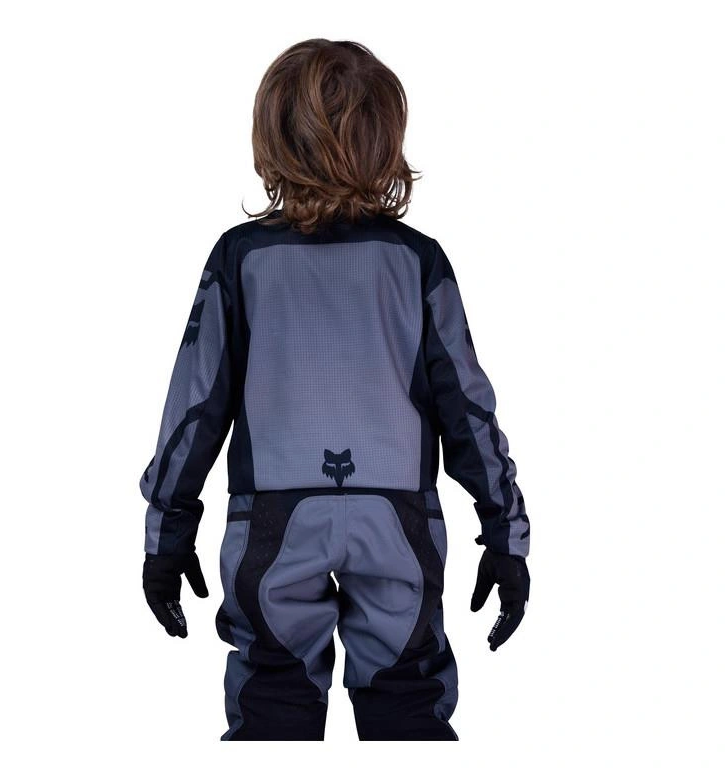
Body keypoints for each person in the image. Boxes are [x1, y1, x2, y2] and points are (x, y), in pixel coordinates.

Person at [140, 38, 531, 742]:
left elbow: (196, 406)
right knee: (407, 702)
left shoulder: (241, 259)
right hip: (399, 520)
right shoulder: (418, 262)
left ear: (271, 136)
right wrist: (505, 532)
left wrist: (167, 532)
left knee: (273, 699)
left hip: (272, 520)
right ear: (386, 139)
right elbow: (467, 409)